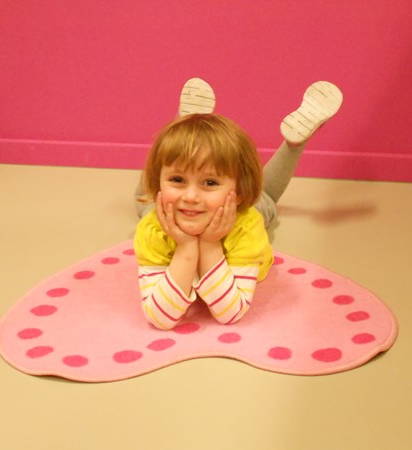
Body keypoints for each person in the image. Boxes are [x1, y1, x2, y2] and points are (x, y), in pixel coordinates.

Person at [133, 78, 343, 330]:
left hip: (233, 214)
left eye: (210, 183)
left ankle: (293, 144)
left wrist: (209, 245)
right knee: (145, 202)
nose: (190, 196)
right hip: (171, 212)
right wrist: (186, 247)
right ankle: (183, 126)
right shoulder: (154, 228)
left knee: (264, 198)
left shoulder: (246, 228)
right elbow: (160, 319)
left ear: (240, 193)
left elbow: (230, 313)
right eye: (177, 180)